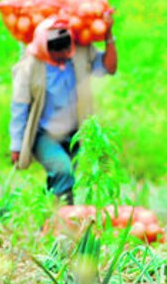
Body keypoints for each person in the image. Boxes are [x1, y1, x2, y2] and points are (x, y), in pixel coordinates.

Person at [8, 15, 118, 204]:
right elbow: (20, 106)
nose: (63, 51)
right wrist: (17, 144)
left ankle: (50, 218)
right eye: (56, 47)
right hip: (45, 135)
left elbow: (109, 67)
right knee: (62, 169)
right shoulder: (29, 68)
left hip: (75, 132)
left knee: (66, 179)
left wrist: (108, 35)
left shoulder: (79, 55)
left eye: (66, 45)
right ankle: (66, 218)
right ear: (44, 46)